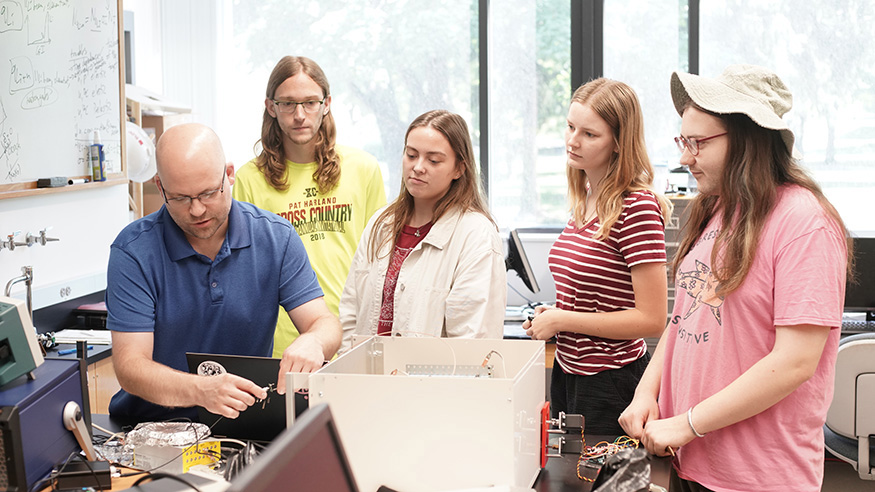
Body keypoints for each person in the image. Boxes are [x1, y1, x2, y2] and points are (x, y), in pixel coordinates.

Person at [618, 65, 851, 492]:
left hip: (756, 477)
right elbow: (684, 317)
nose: (685, 157)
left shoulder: (804, 223)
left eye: (698, 143)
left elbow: (795, 362)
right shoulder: (717, 208)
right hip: (688, 459)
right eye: (682, 141)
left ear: (748, 139)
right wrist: (646, 392)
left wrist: (687, 423)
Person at [106, 123, 341, 423]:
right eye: (180, 198)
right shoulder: (133, 252)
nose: (197, 211)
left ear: (229, 175)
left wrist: (315, 341)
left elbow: (325, 323)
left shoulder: (275, 238)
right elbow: (130, 367)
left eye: (207, 193)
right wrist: (200, 391)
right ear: (160, 186)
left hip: (246, 425)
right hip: (152, 428)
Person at [522, 78, 671, 435]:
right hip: (569, 373)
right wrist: (554, 315)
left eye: (590, 134)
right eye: (571, 127)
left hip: (610, 381)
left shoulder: (635, 207)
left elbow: (652, 319)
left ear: (619, 142)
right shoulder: (586, 198)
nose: (573, 141)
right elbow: (592, 299)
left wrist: (563, 320)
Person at [233, 56, 386, 358]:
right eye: (288, 103)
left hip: (352, 335)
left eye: (310, 102)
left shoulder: (363, 169)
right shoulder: (248, 179)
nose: (299, 115)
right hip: (283, 343)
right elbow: (243, 271)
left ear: (326, 104)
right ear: (271, 107)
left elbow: (380, 259)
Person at [338, 110, 505, 351]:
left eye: (433, 160)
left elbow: (473, 339)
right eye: (411, 155)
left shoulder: (475, 234)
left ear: (459, 168)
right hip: (370, 380)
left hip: (433, 384)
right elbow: (351, 313)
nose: (417, 167)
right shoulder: (380, 224)